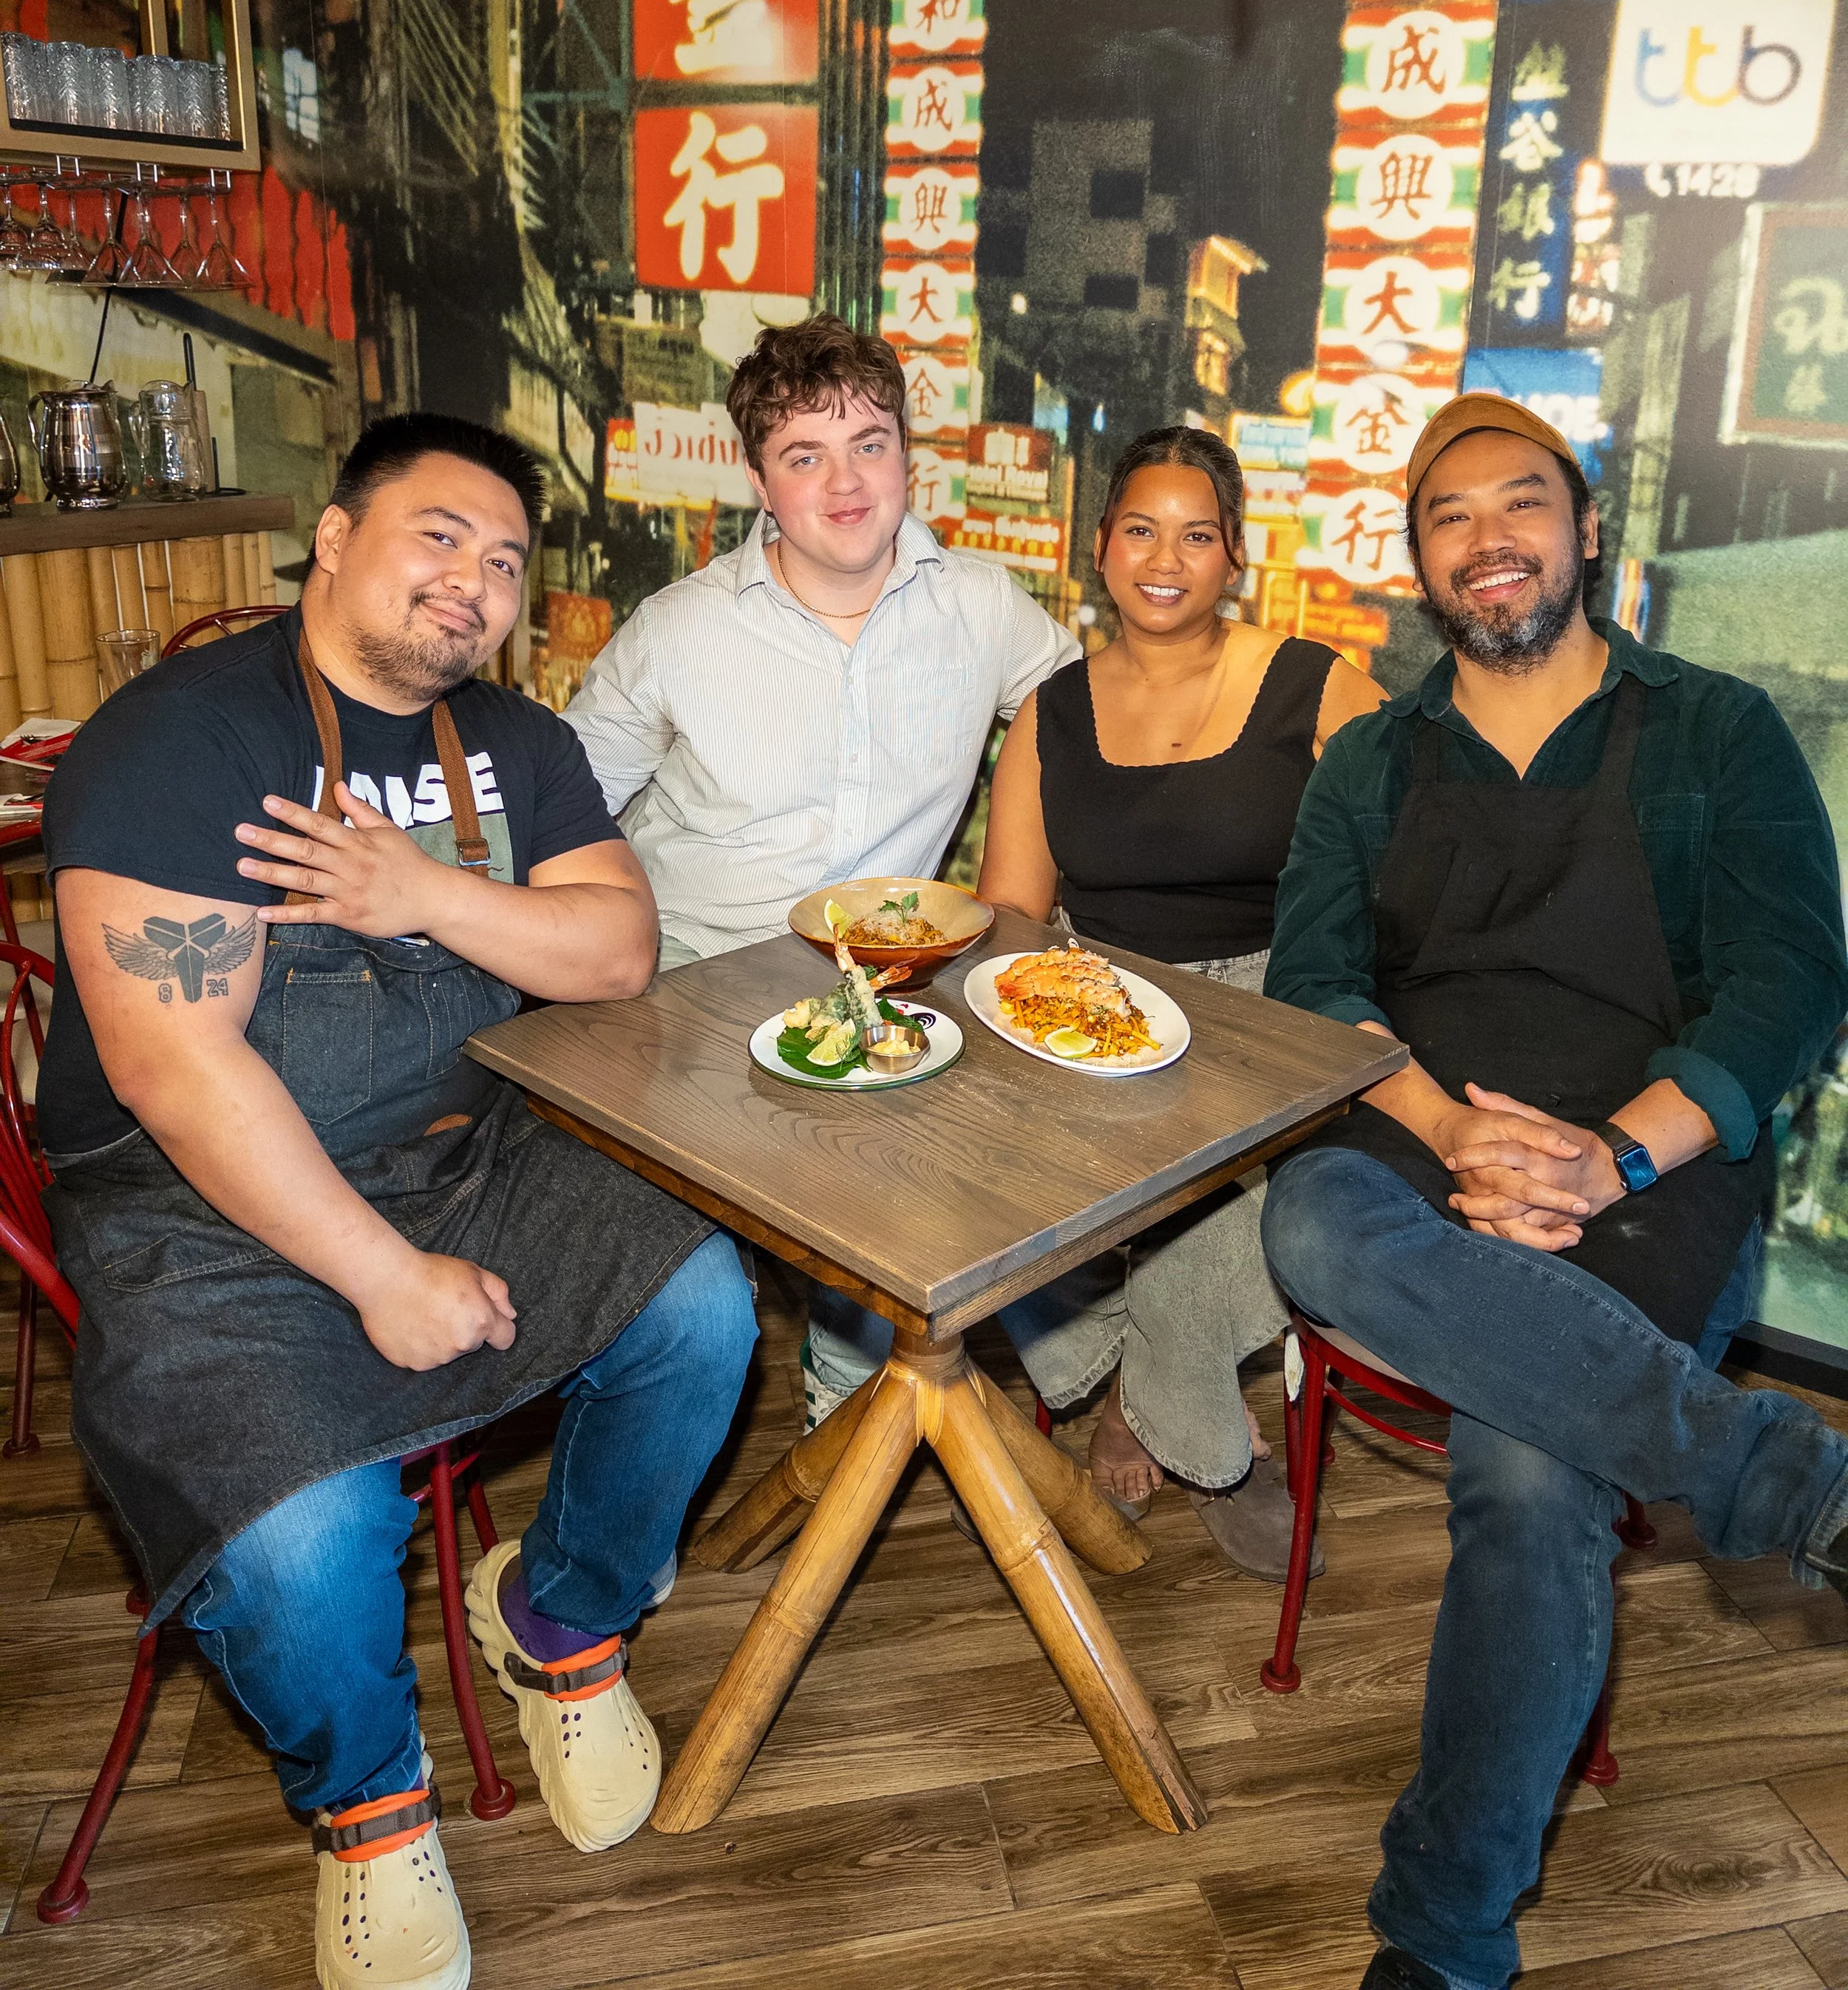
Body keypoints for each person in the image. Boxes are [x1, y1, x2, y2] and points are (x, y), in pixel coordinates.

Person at [40, 414, 758, 1990]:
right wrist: (380, 1273)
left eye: (504, 561)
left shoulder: (518, 740)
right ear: (340, 535)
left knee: (701, 1302)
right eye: (440, 535)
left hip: (466, 1151)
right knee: (304, 1536)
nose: (477, 582)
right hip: (194, 1210)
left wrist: (417, 889)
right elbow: (171, 1067)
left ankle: (561, 1623)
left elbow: (615, 951)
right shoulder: (184, 739)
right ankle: (368, 1806)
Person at [1258, 393, 1848, 1990]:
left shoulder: (1713, 727)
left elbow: (1796, 976)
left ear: (1587, 532)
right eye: (1449, 516)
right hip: (1410, 1150)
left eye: (1520, 502)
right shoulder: (1370, 762)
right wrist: (1456, 1139)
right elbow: (1311, 989)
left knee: (1527, 1475)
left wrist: (1612, 1152)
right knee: (1302, 1217)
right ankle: (1779, 1478)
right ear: (1419, 563)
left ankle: (1439, 1942)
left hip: (1660, 1166)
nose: (1488, 538)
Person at [566, 313, 1076, 1417]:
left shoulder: (981, 607)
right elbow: (562, 809)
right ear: (759, 478)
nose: (845, 483)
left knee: (1003, 1157)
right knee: (755, 1244)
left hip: (885, 986)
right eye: (805, 455)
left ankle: (855, 1417)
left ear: (908, 457)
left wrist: (1014, 894)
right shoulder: (676, 629)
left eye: (870, 444)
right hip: (687, 995)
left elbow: (1083, 729)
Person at [977, 424, 1382, 1577]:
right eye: (1141, 530)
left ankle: (1162, 1409)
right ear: (1099, 548)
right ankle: (1150, 1385)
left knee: (1229, 1235)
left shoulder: (1318, 685)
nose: (1167, 558)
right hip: (1099, 1014)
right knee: (963, 1185)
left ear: (1234, 556)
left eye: (1197, 535)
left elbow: (1409, 874)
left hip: (1283, 1017)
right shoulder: (1049, 712)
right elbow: (1014, 917)